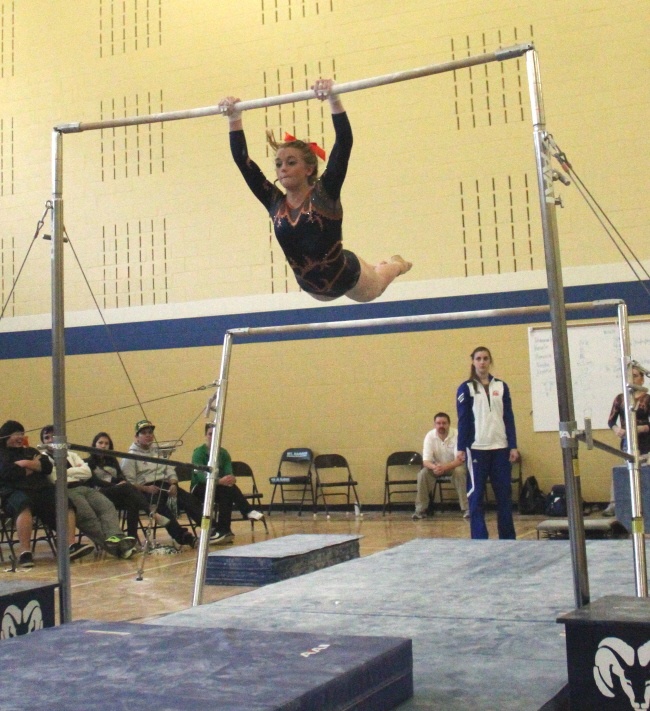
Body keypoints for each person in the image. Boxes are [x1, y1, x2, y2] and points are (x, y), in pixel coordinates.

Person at [219, 78, 412, 303]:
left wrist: (333, 98)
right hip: (314, 291)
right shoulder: (274, 203)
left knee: (377, 287)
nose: (283, 169)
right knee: (372, 280)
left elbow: (343, 142)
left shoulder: (324, 194)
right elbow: (243, 162)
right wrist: (234, 118)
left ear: (309, 168)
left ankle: (396, 265)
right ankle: (379, 266)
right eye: (279, 164)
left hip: (347, 277)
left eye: (291, 163)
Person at [0, 420, 93, 568]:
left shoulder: (30, 451)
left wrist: (24, 464)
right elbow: (7, 473)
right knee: (23, 504)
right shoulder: (2, 454)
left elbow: (47, 467)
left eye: (22, 434)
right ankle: (25, 553)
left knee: (64, 501)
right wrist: (33, 465)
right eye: (16, 434)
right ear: (6, 436)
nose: (20, 437)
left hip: (40, 490)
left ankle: (70, 545)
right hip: (14, 492)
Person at [40, 425, 136, 559]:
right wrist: (75, 471)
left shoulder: (71, 454)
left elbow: (87, 473)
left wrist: (65, 472)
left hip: (84, 487)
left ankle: (116, 537)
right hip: (66, 490)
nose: (51, 440)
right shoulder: (43, 458)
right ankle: (120, 548)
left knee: (107, 506)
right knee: (88, 517)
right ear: (43, 442)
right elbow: (55, 477)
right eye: (47, 437)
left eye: (54, 436)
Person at [456, 347, 519, 540]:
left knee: (504, 496)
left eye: (485, 358)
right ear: (473, 362)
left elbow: (508, 417)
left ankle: (508, 538)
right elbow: (463, 419)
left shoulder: (501, 386)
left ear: (490, 361)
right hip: (477, 449)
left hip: (500, 448)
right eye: (478, 359)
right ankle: (479, 538)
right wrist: (460, 447)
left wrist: (513, 444)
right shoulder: (465, 388)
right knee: (476, 497)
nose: (482, 362)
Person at [120, 419, 200, 548]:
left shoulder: (158, 452)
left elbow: (170, 470)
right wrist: (146, 489)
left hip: (166, 486)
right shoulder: (129, 457)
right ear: (137, 436)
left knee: (189, 499)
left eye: (150, 432)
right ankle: (185, 537)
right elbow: (128, 483)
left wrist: (174, 483)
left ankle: (210, 530)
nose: (148, 435)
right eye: (144, 433)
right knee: (161, 509)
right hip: (146, 490)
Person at [85, 431, 174, 539]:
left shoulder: (112, 460)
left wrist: (120, 482)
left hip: (116, 493)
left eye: (106, 443)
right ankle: (152, 513)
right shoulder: (88, 462)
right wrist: (116, 484)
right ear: (94, 444)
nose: (103, 446)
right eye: (100, 443)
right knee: (127, 486)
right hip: (99, 493)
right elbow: (95, 481)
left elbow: (121, 476)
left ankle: (133, 537)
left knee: (132, 501)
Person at [191, 423, 264, 545]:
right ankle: (246, 511)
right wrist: (219, 481)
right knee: (227, 491)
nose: (212, 436)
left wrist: (231, 479)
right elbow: (201, 477)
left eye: (215, 434)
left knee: (228, 492)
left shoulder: (223, 453)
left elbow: (229, 471)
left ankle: (223, 531)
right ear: (205, 435)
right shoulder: (198, 453)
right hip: (200, 488)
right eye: (210, 434)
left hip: (219, 487)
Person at [604, 366, 650, 516]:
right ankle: (616, 504)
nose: (632, 379)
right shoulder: (620, 399)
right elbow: (611, 421)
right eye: (629, 376)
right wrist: (617, 430)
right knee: (624, 471)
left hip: (645, 442)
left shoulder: (647, 399)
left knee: (643, 472)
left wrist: (641, 428)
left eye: (636, 376)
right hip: (627, 442)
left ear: (642, 379)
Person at [413, 412, 469, 520]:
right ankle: (420, 510)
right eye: (438, 423)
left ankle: (466, 509)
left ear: (449, 424)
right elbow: (425, 461)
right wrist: (435, 467)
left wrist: (444, 467)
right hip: (436, 468)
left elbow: (460, 459)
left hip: (454, 466)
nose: (441, 426)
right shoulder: (429, 436)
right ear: (435, 425)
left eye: (444, 423)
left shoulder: (457, 434)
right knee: (422, 474)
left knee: (460, 472)